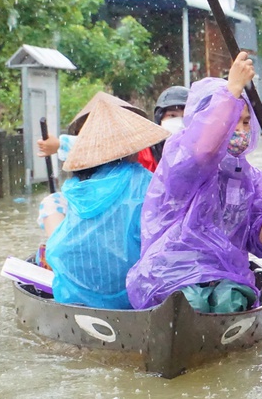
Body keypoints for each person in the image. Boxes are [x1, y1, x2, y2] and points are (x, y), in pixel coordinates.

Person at [126, 52, 262, 311]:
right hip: (171, 274)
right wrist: (232, 89)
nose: (241, 131)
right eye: (232, 122)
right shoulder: (181, 158)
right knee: (190, 304)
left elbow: (259, 242)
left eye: (246, 122)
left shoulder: (250, 180)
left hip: (226, 278)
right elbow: (204, 151)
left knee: (231, 301)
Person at [42, 99, 171, 309]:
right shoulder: (146, 181)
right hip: (131, 296)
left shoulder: (75, 187)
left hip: (76, 294)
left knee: (50, 205)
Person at [138, 85, 189, 172]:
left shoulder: (199, 154)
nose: (180, 123)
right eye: (172, 115)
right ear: (159, 118)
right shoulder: (144, 153)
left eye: (186, 117)